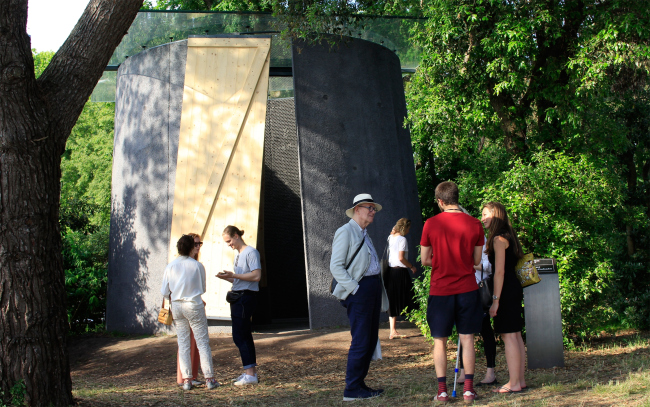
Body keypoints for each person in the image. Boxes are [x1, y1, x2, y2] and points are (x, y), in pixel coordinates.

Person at [420, 181, 483, 402]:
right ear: (457, 197)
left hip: (440, 290)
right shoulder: (475, 224)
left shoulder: (430, 224)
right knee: (467, 339)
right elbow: (476, 260)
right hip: (467, 289)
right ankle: (467, 389)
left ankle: (442, 391)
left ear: (440, 201)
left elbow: (426, 259)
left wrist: (443, 260)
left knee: (440, 341)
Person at [330, 193, 389, 401]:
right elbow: (335, 266)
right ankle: (352, 389)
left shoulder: (364, 233)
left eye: (374, 209)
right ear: (357, 210)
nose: (373, 212)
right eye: (369, 208)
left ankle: (359, 383)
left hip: (371, 289)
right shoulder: (345, 231)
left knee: (370, 338)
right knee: (362, 339)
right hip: (360, 291)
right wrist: (354, 288)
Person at [161, 235, 219, 391]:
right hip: (193, 304)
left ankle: (186, 380)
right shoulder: (197, 266)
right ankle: (209, 378)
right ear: (191, 247)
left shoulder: (170, 266)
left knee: (183, 343)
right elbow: (202, 288)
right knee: (202, 343)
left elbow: (164, 291)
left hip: (177, 306)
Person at [482, 202, 527, 393]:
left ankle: (514, 383)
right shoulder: (510, 235)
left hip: (505, 290)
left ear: (496, 215)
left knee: (509, 336)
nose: (482, 218)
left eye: (485, 214)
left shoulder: (498, 239)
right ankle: (520, 380)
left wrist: (495, 300)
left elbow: (498, 272)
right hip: (514, 288)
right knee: (515, 335)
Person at [216, 225, 261, 386]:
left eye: (229, 241)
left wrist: (233, 275)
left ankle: (250, 375)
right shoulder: (239, 255)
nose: (229, 244)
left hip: (245, 298)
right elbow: (241, 279)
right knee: (243, 334)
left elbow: (256, 276)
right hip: (239, 297)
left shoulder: (251, 252)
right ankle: (250, 373)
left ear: (236, 235)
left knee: (240, 335)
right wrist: (227, 277)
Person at [458, 235, 498, 386]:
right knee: (464, 333)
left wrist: (470, 265)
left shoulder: (482, 240)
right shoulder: (459, 241)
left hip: (479, 291)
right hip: (464, 291)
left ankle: (490, 373)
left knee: (486, 331)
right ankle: (463, 373)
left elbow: (489, 266)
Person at [176, 233, 203, 386]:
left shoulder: (195, 263)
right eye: (196, 244)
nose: (198, 247)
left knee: (193, 343)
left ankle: (191, 376)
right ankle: (184, 377)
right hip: (187, 306)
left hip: (192, 304)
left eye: (200, 244)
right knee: (186, 342)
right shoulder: (185, 263)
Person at [384, 218, 417, 339]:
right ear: (405, 228)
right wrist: (412, 267)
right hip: (401, 271)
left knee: (392, 299)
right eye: (408, 228)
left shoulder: (390, 238)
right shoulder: (402, 239)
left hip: (391, 271)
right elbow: (401, 258)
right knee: (411, 297)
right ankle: (420, 321)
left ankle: (392, 330)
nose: (409, 230)